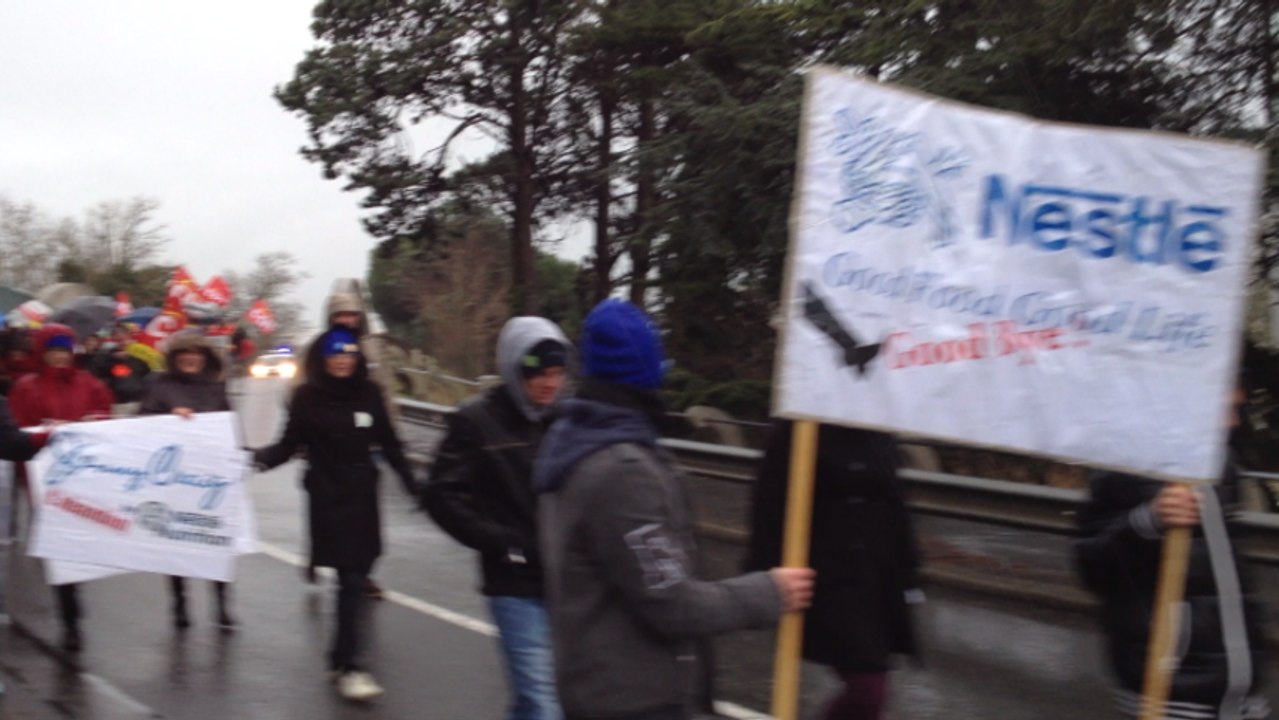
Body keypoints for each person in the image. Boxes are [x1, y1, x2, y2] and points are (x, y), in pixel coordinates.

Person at [534, 299, 816, 720]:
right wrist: (768, 593)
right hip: (636, 703)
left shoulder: (574, 444)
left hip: (599, 691)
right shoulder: (623, 471)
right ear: (648, 370)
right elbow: (672, 604)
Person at [1075, 386, 1269, 719]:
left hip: (1241, 698)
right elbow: (1091, 565)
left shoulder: (1221, 465)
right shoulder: (1127, 464)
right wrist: (1149, 521)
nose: (1235, 422)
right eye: (1226, 408)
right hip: (1173, 696)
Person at [252, 326, 417, 701]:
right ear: (323, 358)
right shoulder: (306, 398)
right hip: (328, 499)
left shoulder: (370, 394)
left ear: (357, 357)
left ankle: (338, 657)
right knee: (352, 581)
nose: (342, 359)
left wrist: (413, 484)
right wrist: (256, 459)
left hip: (363, 498)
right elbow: (288, 445)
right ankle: (353, 668)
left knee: (358, 575)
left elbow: (390, 443)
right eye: (335, 353)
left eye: (349, 352)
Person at [425, 317, 572, 720]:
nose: (548, 382)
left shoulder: (566, 420)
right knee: (543, 704)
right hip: (515, 585)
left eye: (557, 372)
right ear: (513, 367)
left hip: (567, 583)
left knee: (546, 700)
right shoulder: (477, 420)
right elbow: (441, 494)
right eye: (538, 372)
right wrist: (502, 542)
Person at [746, 420, 922, 720]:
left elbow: (894, 503)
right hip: (823, 579)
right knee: (867, 690)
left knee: (870, 687)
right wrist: (765, 581)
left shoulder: (878, 429)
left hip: (873, 581)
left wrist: (908, 569)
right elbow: (769, 504)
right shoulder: (800, 428)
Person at [8, 323, 114, 652]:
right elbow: (15, 431)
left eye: (64, 350)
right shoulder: (26, 387)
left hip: (81, 477)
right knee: (57, 548)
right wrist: (45, 433)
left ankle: (73, 603)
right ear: (42, 352)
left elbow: (106, 417)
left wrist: (93, 422)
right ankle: (69, 616)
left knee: (76, 545)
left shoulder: (89, 383)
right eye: (53, 350)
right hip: (43, 480)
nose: (59, 355)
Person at [138, 330, 236, 631]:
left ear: (205, 356)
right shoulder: (161, 386)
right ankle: (179, 602)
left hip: (209, 478)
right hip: (174, 477)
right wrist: (169, 415)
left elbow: (230, 426)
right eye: (184, 353)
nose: (189, 358)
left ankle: (222, 604)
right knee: (176, 541)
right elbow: (141, 420)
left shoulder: (217, 388)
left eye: (195, 352)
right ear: (175, 357)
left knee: (215, 541)